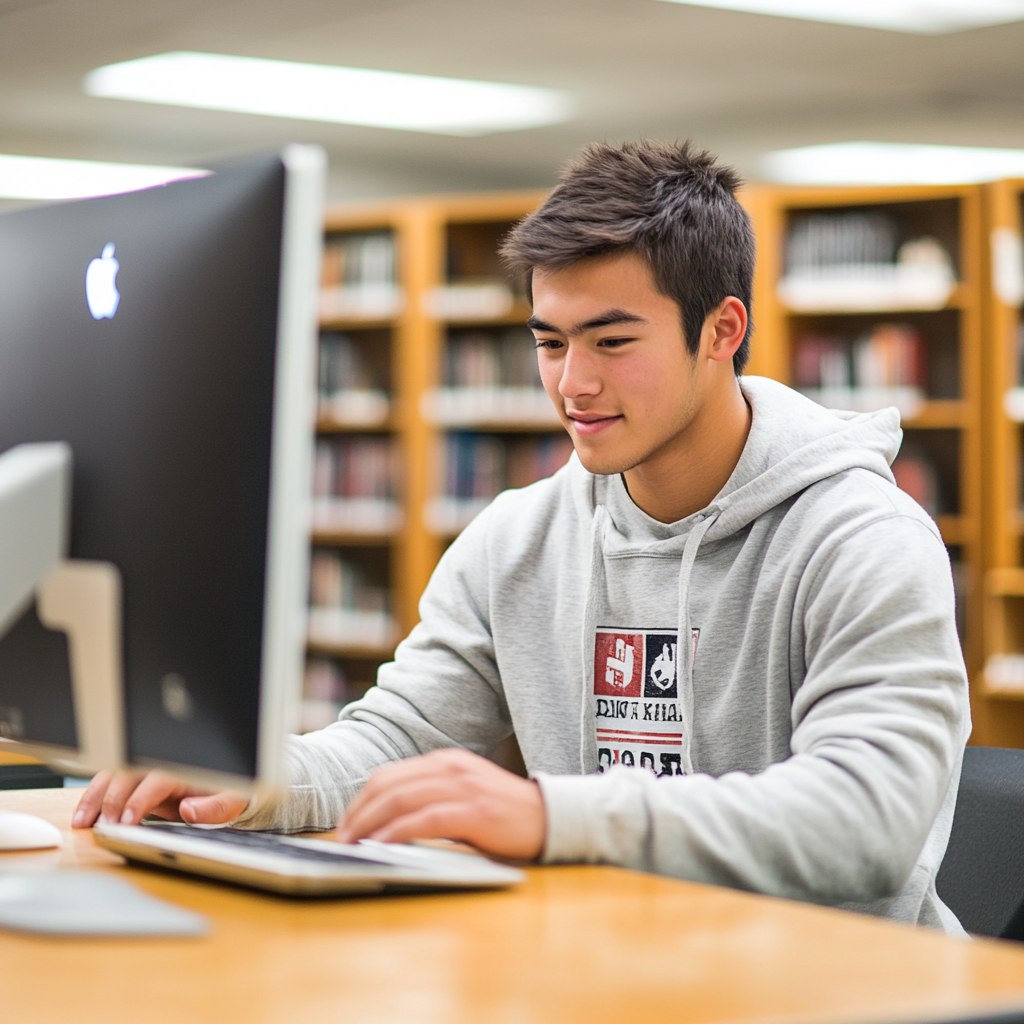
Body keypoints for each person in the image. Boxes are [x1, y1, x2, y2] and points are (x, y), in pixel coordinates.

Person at [74, 139, 971, 931]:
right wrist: (257, 784)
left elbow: (871, 818)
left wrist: (552, 817)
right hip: (604, 965)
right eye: (550, 343)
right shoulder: (518, 537)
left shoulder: (861, 536)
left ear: (721, 332)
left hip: (835, 985)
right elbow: (400, 738)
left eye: (612, 342)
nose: (572, 383)